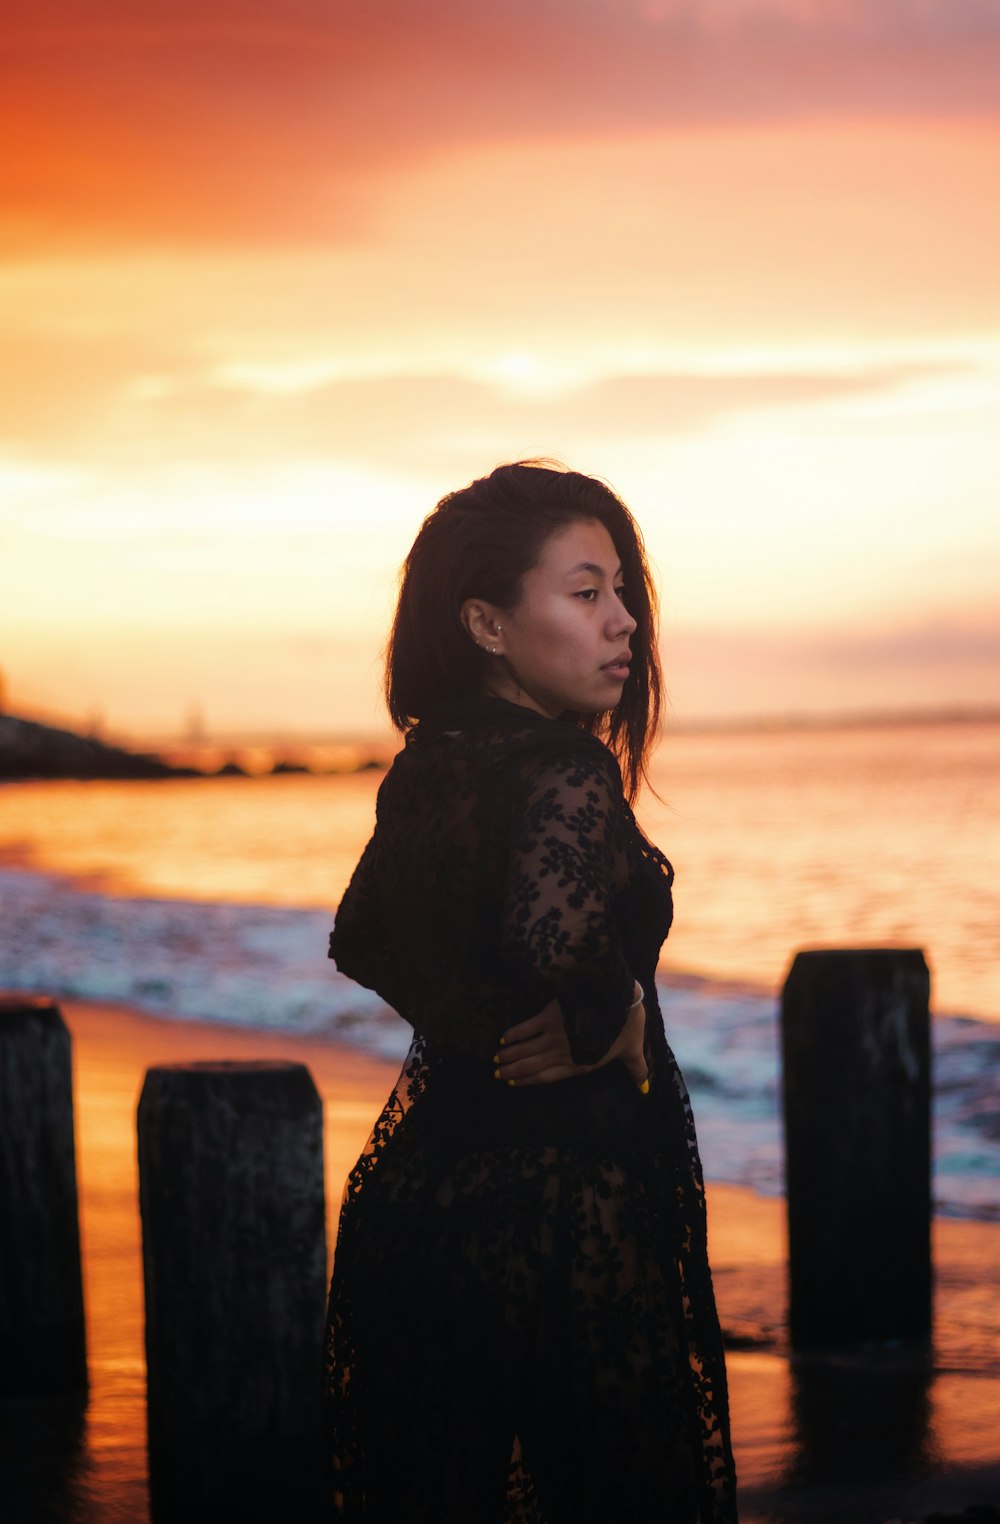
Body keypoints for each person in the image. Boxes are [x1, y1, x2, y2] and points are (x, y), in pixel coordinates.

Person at [325, 461, 738, 1523]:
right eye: (587, 592)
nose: (626, 624)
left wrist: (482, 1032)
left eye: (624, 594)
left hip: (422, 1198)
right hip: (564, 1212)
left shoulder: (428, 764)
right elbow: (548, 945)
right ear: (487, 624)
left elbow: (369, 937)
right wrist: (619, 1028)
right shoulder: (564, 767)